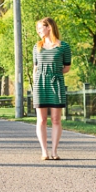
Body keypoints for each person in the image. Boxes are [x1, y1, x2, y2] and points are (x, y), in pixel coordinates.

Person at [32, 17, 71, 160]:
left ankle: (54, 151)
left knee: (55, 119)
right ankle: (44, 152)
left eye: (40, 27)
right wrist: (35, 83)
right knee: (41, 119)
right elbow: (35, 68)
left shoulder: (64, 46)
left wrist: (54, 72)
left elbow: (67, 67)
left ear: (49, 27)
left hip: (56, 83)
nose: (38, 30)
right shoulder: (37, 47)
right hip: (40, 84)